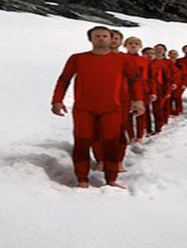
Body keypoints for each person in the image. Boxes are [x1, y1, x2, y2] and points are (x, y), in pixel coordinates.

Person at [51, 26, 144, 189]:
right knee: (82, 143)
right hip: (84, 109)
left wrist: (138, 100)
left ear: (111, 39)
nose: (101, 39)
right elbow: (64, 79)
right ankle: (82, 179)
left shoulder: (123, 60)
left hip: (112, 108)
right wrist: (57, 101)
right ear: (90, 39)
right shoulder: (77, 58)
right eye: (97, 36)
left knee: (111, 143)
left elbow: (134, 80)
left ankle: (111, 179)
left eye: (105, 36)